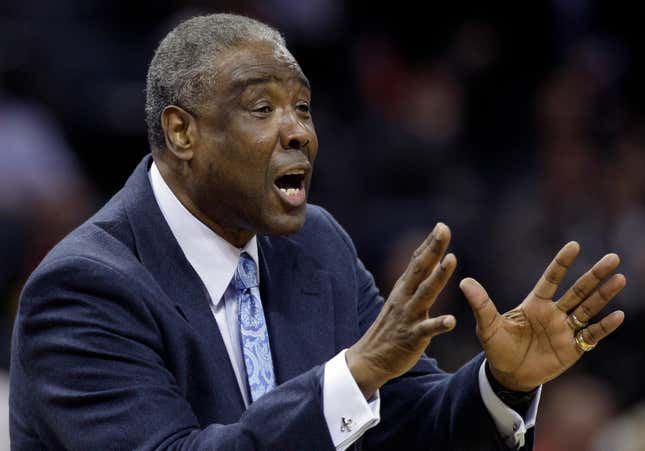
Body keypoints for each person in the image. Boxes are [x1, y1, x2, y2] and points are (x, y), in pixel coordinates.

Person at [9, 13, 626, 450]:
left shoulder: (316, 246)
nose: (299, 131)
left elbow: (410, 418)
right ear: (182, 133)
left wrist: (500, 385)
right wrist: (351, 376)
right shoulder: (85, 288)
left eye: (302, 108)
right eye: (262, 109)